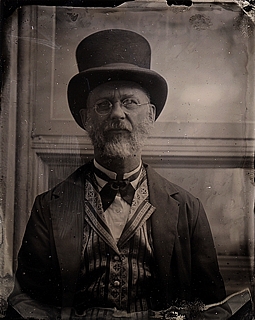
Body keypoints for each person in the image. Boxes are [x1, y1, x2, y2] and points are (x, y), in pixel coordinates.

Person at [6, 29, 231, 320]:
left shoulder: (187, 208)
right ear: (86, 119)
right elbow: (25, 301)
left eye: (129, 103)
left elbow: (213, 307)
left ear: (149, 115)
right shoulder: (49, 207)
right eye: (103, 105)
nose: (116, 114)